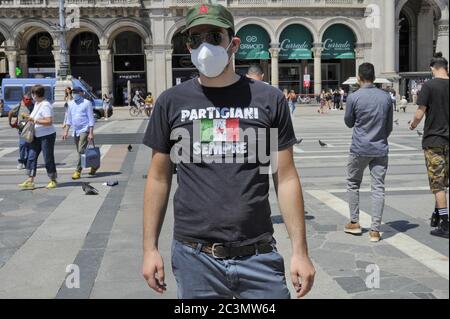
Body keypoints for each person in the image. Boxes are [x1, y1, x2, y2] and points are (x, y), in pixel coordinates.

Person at [141, 3, 315, 299]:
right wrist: (149, 249)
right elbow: (158, 178)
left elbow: (284, 178)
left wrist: (300, 251)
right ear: (187, 46)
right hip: (195, 257)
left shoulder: (268, 100)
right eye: (196, 39)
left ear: (233, 43)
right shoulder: (171, 102)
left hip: (258, 254)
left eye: (213, 36)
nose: (204, 46)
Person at [344, 63, 393, 243]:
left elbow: (349, 122)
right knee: (378, 187)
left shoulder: (354, 97)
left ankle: (354, 222)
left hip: (359, 148)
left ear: (359, 77)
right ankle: (375, 230)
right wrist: (379, 137)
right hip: (380, 148)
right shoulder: (386, 97)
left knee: (353, 183)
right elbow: (388, 127)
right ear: (374, 77)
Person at [409, 52, 449, 239]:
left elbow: (420, 112)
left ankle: (445, 224)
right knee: (445, 181)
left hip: (434, 141)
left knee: (437, 184)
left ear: (433, 68)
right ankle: (437, 214)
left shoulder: (429, 86)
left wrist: (413, 125)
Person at [18, 85, 58, 190]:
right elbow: (34, 117)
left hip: (47, 136)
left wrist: (33, 120)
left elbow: (49, 121)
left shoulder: (46, 105)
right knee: (31, 156)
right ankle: (30, 180)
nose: (32, 96)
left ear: (36, 94)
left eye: (32, 94)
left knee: (48, 158)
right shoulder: (37, 103)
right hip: (36, 135)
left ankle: (53, 180)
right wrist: (29, 118)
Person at [62, 86, 98, 180]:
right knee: (80, 152)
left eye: (77, 92)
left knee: (81, 150)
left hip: (84, 129)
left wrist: (91, 132)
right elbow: (69, 119)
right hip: (75, 130)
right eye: (73, 92)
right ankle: (94, 165)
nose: (74, 94)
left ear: (81, 93)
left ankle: (78, 171)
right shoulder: (70, 104)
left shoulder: (87, 103)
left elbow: (91, 119)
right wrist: (66, 131)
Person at [8, 95, 34, 169]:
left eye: (29, 99)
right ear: (23, 99)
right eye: (26, 99)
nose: (28, 101)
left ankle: (26, 162)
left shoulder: (33, 105)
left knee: (29, 146)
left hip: (30, 128)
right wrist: (10, 122)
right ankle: (21, 161)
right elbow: (10, 112)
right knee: (22, 145)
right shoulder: (20, 104)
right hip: (22, 128)